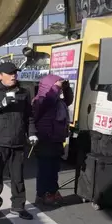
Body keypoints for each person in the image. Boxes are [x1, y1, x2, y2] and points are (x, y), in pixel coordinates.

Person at [0, 62, 37, 220]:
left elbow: (29, 116)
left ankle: (18, 207)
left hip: (17, 142)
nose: (14, 76)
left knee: (18, 178)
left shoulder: (23, 92)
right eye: (10, 73)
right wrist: (2, 104)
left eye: (15, 73)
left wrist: (31, 133)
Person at [32, 74, 73, 206]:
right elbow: (49, 98)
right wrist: (56, 86)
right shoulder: (40, 100)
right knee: (45, 168)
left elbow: (69, 100)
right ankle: (41, 194)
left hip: (56, 138)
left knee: (54, 168)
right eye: (57, 84)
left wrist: (66, 89)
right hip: (45, 138)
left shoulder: (59, 101)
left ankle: (52, 192)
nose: (59, 87)